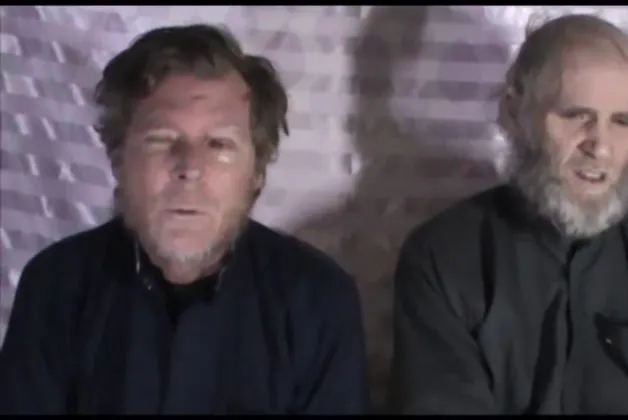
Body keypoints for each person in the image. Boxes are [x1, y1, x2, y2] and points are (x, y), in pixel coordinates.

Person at [0, 24, 369, 415]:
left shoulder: (317, 302)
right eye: (161, 140)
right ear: (119, 161)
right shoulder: (55, 287)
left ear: (257, 173)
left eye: (219, 144)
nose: (190, 168)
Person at [390, 13, 628, 414]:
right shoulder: (443, 257)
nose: (601, 147)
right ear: (514, 112)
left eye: (622, 122)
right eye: (577, 116)